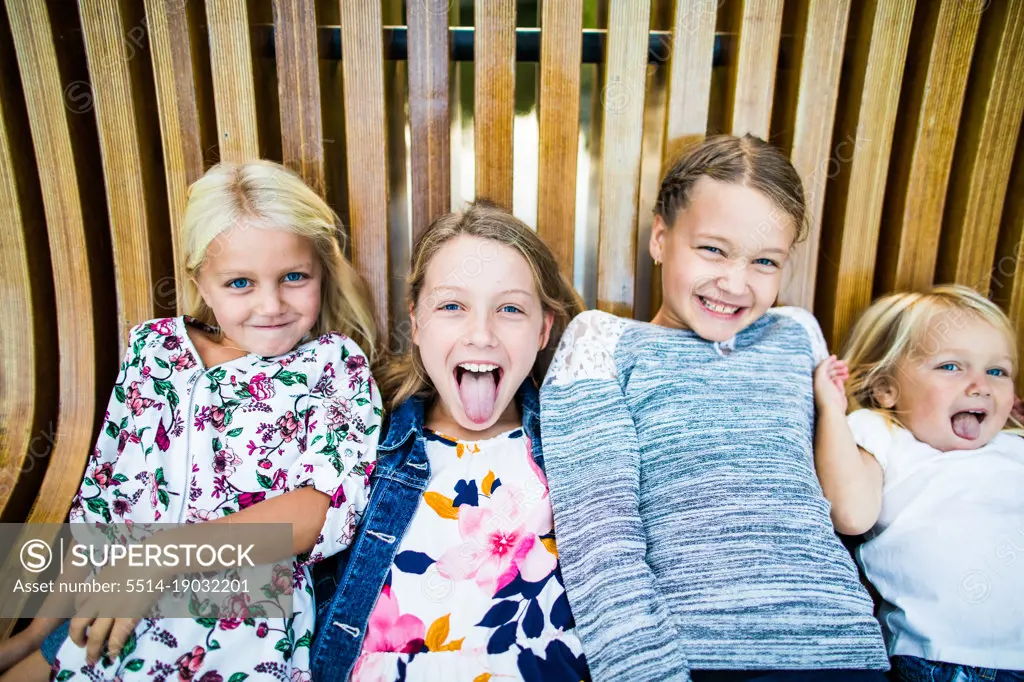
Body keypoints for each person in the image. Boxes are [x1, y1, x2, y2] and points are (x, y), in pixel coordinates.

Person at [0, 160, 382, 681]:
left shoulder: (333, 367)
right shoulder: (154, 350)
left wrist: (162, 556)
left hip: (236, 622)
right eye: (240, 282)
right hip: (107, 600)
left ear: (320, 270)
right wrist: (37, 634)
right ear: (199, 276)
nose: (270, 304)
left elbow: (320, 509)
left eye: (294, 277)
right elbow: (103, 501)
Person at [540, 135, 888, 681]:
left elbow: (852, 513)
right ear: (660, 238)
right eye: (713, 249)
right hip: (697, 657)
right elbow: (601, 542)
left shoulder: (796, 335)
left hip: (841, 649)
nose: (735, 282)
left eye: (765, 261)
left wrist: (831, 406)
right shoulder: (601, 342)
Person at [310, 202, 591, 682]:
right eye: (452, 306)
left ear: (543, 328)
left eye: (510, 309)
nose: (480, 334)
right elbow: (281, 573)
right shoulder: (360, 435)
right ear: (416, 321)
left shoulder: (580, 443)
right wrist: (140, 582)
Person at [814, 284, 1024, 682]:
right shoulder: (883, 433)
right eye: (951, 366)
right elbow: (851, 514)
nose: (981, 385)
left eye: (998, 371)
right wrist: (831, 410)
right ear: (886, 389)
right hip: (942, 656)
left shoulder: (1013, 446)